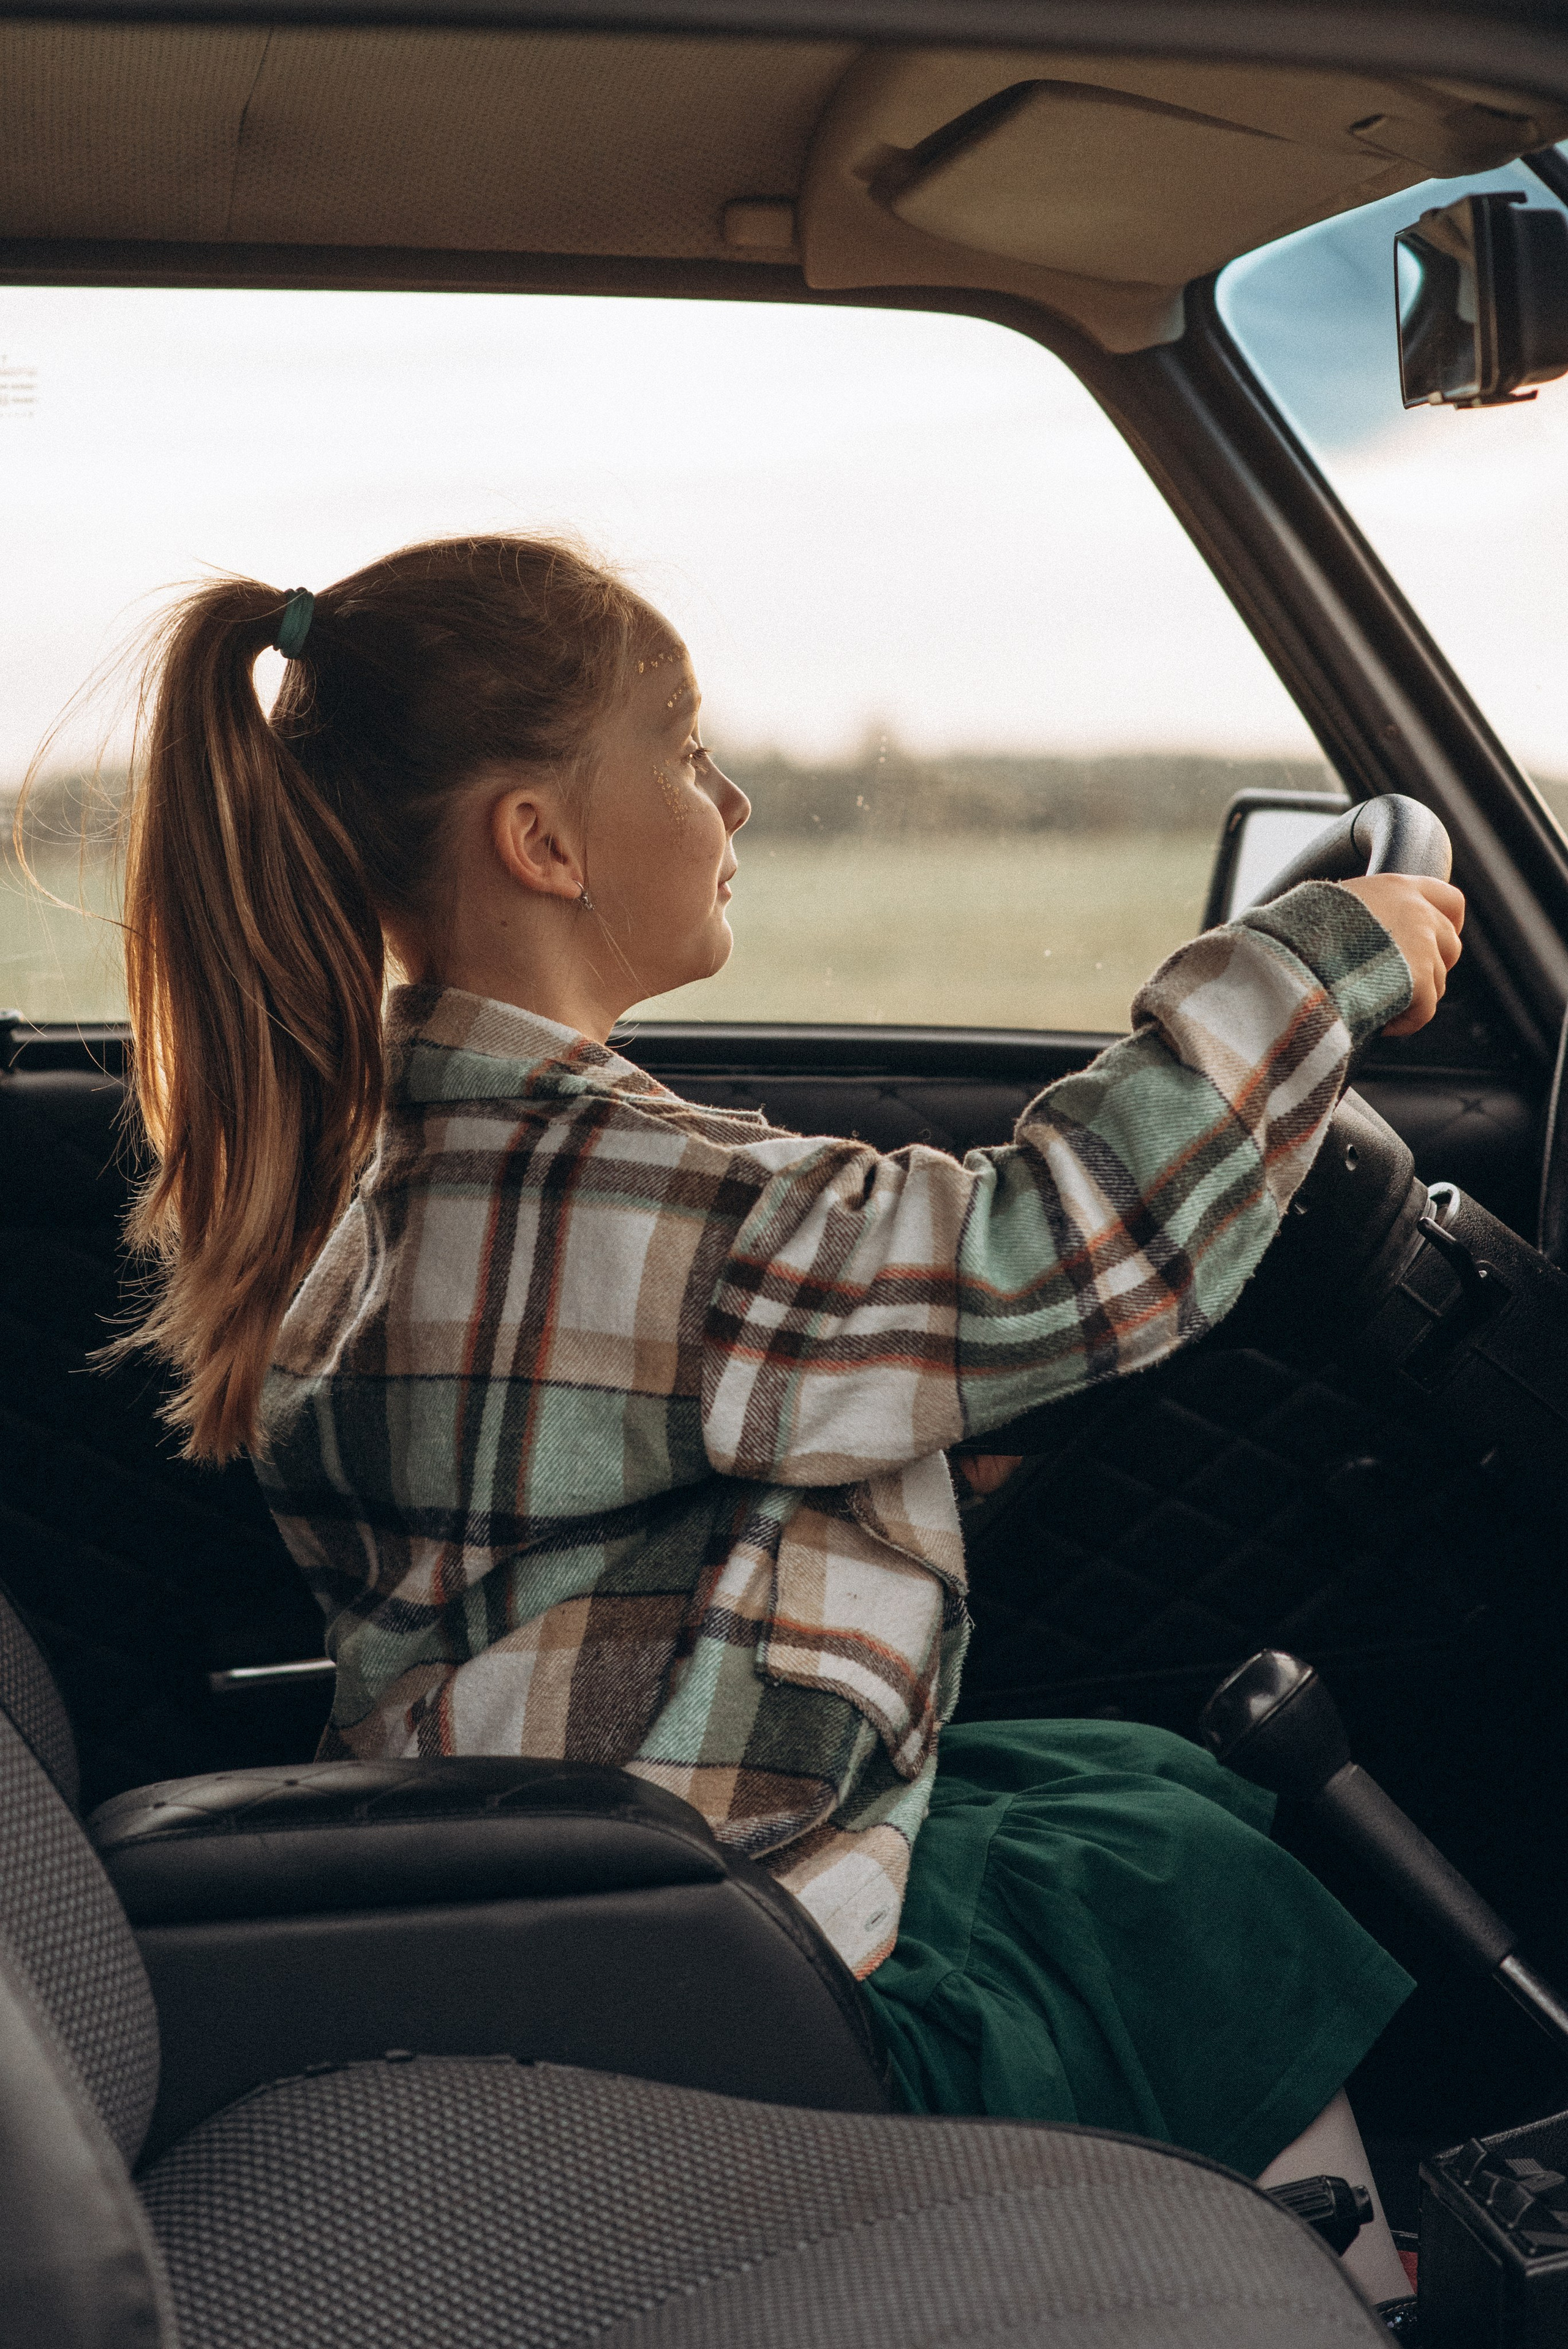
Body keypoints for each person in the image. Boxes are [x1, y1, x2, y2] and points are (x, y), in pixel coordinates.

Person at [105, 535, 1463, 2305]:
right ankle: (1343, 2291)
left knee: (1151, 1794)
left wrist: (925, 1441)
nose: (730, 793)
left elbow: (660, 1469)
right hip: (735, 1945)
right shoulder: (626, 1197)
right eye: (682, 748)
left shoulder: (423, 1172)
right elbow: (1043, 1248)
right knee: (1183, 1886)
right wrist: (1306, 965)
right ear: (544, 840)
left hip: (604, 1891)